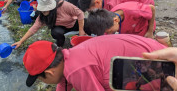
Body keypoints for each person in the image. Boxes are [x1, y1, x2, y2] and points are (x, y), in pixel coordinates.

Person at [22, 34, 166, 90]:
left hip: (164, 70)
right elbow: (63, 82)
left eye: (40, 78)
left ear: (49, 72)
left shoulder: (76, 69)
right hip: (159, 52)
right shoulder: (69, 56)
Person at [12, 0, 88, 48]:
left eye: (44, 10)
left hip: (74, 23)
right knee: (55, 32)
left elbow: (80, 13)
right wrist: (21, 41)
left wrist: (81, 31)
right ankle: (61, 45)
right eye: (42, 10)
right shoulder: (42, 16)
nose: (42, 12)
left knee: (90, 22)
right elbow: (33, 29)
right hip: (62, 28)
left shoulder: (63, 5)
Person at [86, 1, 156, 38]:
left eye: (110, 31)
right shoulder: (108, 20)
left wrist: (150, 31)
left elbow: (152, 8)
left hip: (144, 31)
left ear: (116, 21)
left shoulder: (133, 11)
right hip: (130, 33)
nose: (108, 34)